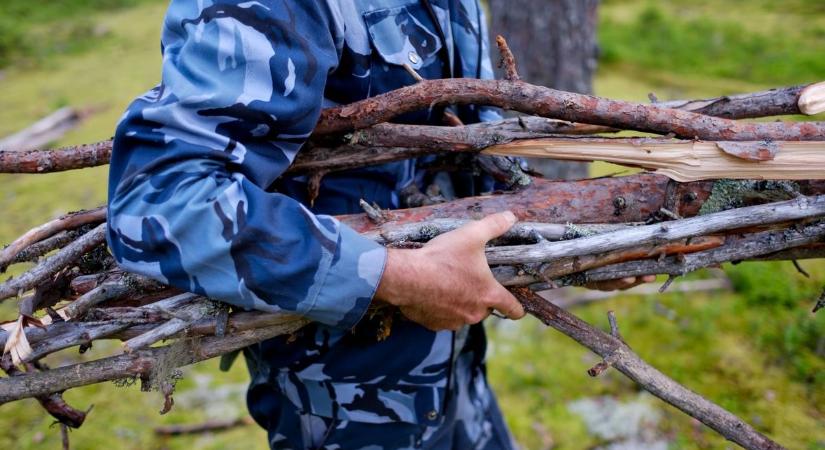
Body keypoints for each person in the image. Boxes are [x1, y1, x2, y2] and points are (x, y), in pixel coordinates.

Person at [107, 1, 649, 448]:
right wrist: (398, 277)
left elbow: (467, 156)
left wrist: (572, 249)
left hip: (460, 376)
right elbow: (164, 198)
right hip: (343, 400)